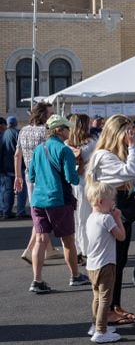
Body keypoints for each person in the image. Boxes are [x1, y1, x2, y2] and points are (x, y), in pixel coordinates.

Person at [87, 114, 135, 325]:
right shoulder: (105, 155)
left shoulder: (109, 155)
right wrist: (133, 148)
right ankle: (106, 312)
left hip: (115, 211)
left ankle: (113, 305)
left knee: (118, 262)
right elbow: (129, 172)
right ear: (118, 133)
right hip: (110, 215)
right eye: (128, 131)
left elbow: (130, 173)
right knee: (111, 264)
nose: (132, 135)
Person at [27, 114, 90, 293]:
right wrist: (80, 168)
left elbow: (31, 176)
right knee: (68, 240)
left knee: (40, 240)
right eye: (67, 128)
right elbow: (72, 179)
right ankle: (75, 276)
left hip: (38, 200)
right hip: (58, 199)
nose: (70, 131)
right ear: (60, 130)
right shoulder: (64, 150)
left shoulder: (39, 149)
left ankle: (37, 281)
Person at [16, 103, 63, 264]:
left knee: (38, 211)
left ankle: (49, 250)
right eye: (50, 113)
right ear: (43, 115)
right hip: (45, 176)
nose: (52, 116)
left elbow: (17, 155)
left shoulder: (23, 130)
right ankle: (30, 250)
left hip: (29, 175)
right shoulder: (45, 132)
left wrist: (18, 176)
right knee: (44, 214)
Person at [84, 180, 126, 343]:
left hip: (92, 265)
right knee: (105, 299)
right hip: (106, 264)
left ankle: (96, 325)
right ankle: (101, 331)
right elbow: (121, 236)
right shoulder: (106, 219)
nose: (113, 203)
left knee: (96, 297)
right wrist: (118, 218)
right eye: (111, 200)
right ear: (101, 201)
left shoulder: (91, 218)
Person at [66, 114, 97, 265]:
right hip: (86, 181)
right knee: (85, 217)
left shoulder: (66, 144)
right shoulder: (91, 142)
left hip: (72, 182)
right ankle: (85, 250)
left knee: (77, 218)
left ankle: (78, 248)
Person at [0, 116, 26, 220]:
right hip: (18, 166)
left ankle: (6, 211)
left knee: (7, 190)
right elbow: (21, 151)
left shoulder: (3, 135)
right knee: (21, 189)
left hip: (6, 167)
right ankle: (20, 211)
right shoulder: (18, 133)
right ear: (16, 123)